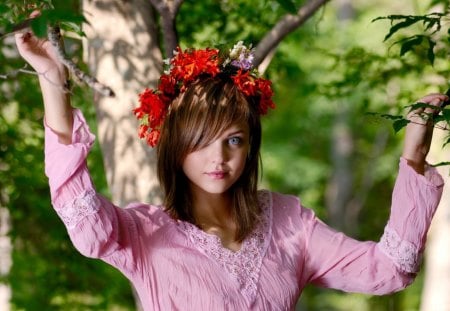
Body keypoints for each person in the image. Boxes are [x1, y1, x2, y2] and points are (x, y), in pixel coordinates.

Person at [15, 26, 446, 310]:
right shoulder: (143, 233)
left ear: (250, 147)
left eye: (234, 141)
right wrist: (54, 84)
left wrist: (413, 156)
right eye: (201, 142)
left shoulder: (289, 223)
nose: (218, 158)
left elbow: (391, 269)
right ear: (176, 149)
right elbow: (86, 227)